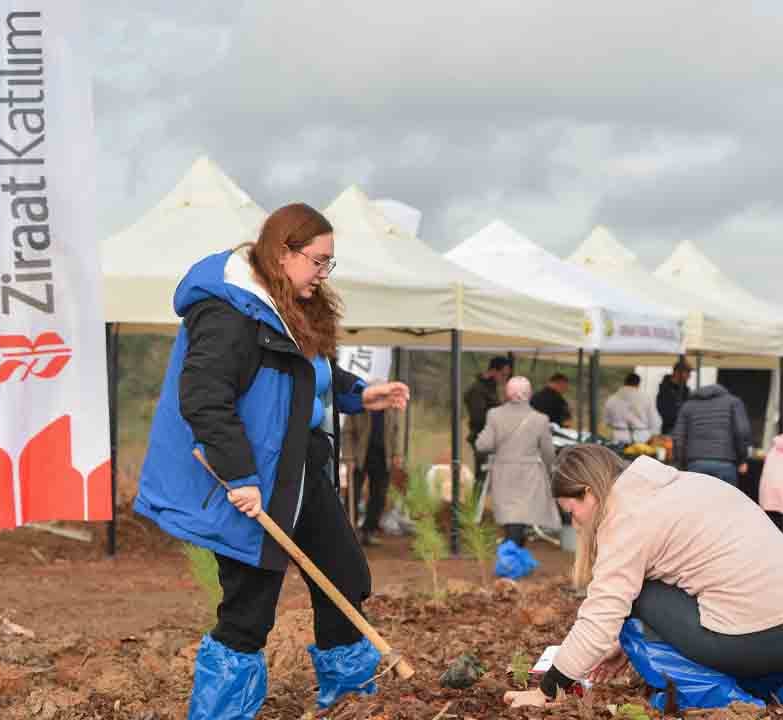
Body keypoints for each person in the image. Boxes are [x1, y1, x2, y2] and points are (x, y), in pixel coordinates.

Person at [134, 203, 411, 717]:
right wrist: (239, 475)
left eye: (330, 263)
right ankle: (222, 712)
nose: (324, 273)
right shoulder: (227, 311)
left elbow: (307, 375)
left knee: (345, 579)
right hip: (253, 477)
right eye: (318, 260)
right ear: (284, 252)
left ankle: (348, 699)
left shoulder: (292, 306)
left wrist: (360, 393)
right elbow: (203, 398)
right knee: (250, 608)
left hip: (302, 469)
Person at [503, 445, 783, 708]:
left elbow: (601, 615)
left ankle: (711, 690)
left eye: (571, 511)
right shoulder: (685, 484)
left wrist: (547, 690)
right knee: (642, 589)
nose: (574, 524)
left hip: (761, 642)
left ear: (588, 493)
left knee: (636, 593)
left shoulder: (625, 519)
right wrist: (623, 645)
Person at [475, 377, 560, 547]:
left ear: (507, 394)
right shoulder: (540, 419)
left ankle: (512, 547)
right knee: (521, 512)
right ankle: (514, 547)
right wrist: (552, 470)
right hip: (529, 472)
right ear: (529, 394)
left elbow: (483, 445)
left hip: (503, 470)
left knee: (509, 513)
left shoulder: (494, 415)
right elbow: (548, 451)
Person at [341, 406, 402, 546]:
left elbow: (395, 431)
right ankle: (349, 531)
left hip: (382, 456)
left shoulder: (390, 407)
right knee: (353, 494)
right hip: (359, 456)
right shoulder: (358, 404)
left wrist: (396, 453)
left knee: (379, 496)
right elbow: (347, 432)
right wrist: (348, 456)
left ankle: (368, 531)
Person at [672, 383, 752, 486]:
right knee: (725, 501)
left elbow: (678, 438)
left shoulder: (687, 406)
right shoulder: (733, 402)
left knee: (696, 501)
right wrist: (742, 459)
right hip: (725, 463)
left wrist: (680, 464)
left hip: (695, 464)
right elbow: (742, 431)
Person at [466, 356, 512, 495]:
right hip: (483, 439)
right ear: (493, 371)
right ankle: (473, 512)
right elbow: (479, 418)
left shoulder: (490, 388)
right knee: (482, 478)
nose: (504, 379)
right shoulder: (477, 389)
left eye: (507, 376)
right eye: (503, 374)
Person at [604, 373, 662, 444]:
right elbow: (654, 421)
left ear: (625, 382)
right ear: (638, 384)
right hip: (641, 438)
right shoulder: (645, 398)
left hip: (618, 437)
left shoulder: (612, 399)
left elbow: (607, 421)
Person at [656, 358, 692, 435]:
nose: (689, 376)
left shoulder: (686, 390)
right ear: (677, 372)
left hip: (685, 431)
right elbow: (666, 414)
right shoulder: (665, 390)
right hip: (671, 431)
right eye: (687, 372)